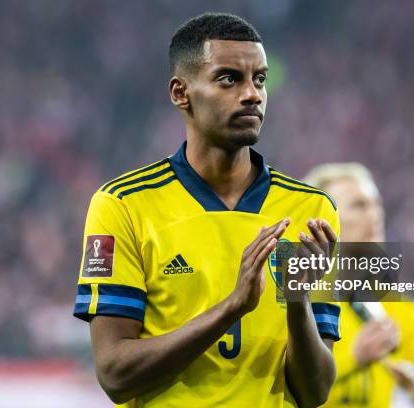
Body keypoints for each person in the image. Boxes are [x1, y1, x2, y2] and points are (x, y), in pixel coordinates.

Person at [73, 13, 341, 407]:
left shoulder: (312, 210)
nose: (252, 94)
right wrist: (233, 307)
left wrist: (296, 301)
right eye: (229, 79)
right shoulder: (122, 205)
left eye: (260, 80)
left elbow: (314, 392)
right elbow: (115, 373)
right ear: (181, 92)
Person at [304, 163, 414, 407]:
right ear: (322, 220)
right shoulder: (297, 302)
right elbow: (280, 393)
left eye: (377, 204)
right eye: (359, 205)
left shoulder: (401, 309)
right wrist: (353, 358)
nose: (375, 214)